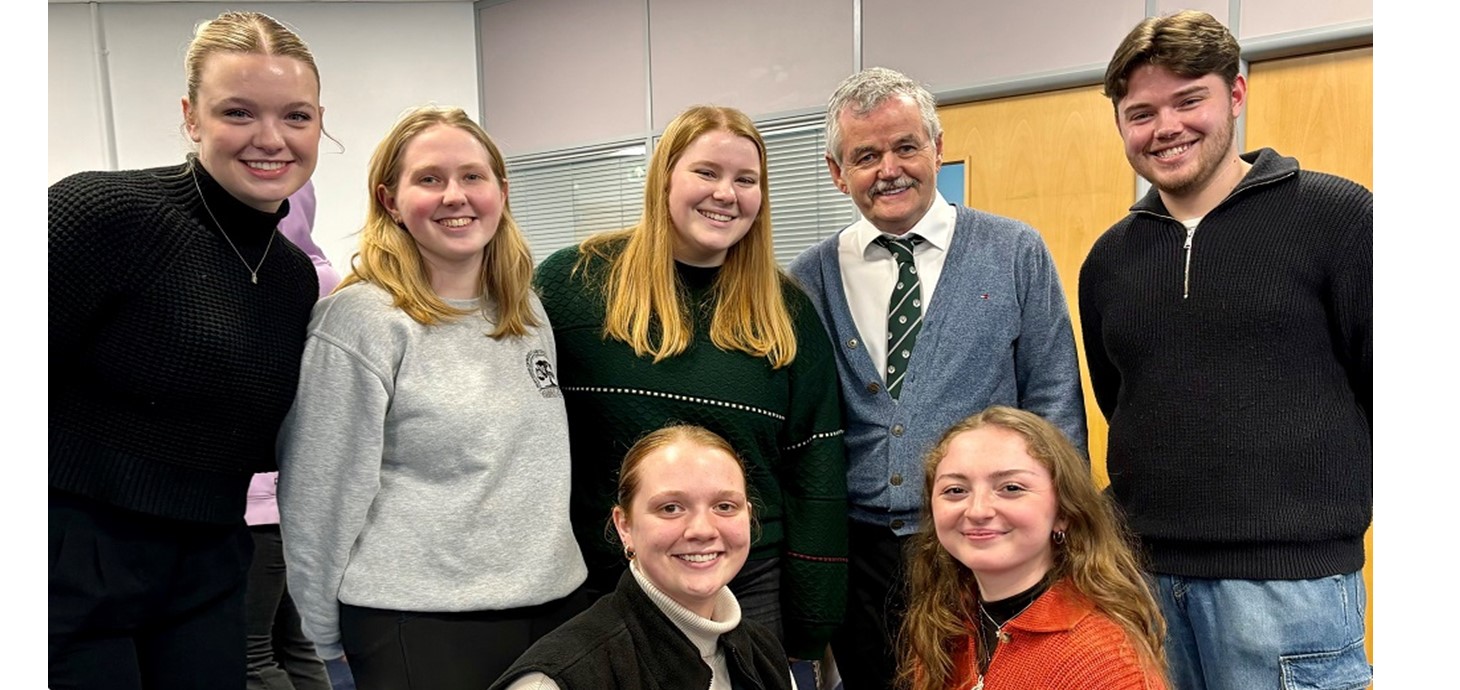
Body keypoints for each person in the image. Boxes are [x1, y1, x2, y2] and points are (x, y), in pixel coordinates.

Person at [1080, 11, 1373, 689]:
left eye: (1190, 100)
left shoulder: (1337, 218)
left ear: (1235, 94)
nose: (1166, 128)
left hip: (1290, 593)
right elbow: (1120, 398)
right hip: (1145, 585)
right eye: (1141, 112)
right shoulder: (1109, 261)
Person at [787, 66, 1087, 690]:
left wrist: (1060, 533)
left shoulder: (1014, 252)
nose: (888, 169)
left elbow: (1055, 398)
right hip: (861, 557)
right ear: (836, 172)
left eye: (905, 146)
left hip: (986, 543)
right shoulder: (807, 280)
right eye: (865, 155)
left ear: (937, 147)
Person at [48, 10, 324, 689]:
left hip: (209, 568)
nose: (271, 139)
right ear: (191, 117)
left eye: (296, 116)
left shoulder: (292, 279)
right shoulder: (99, 215)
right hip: (73, 563)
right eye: (238, 112)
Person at [276, 105, 587, 690]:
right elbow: (319, 494)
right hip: (418, 623)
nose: (455, 196)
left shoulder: (524, 309)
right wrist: (324, 639)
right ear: (390, 200)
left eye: (473, 176)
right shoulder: (362, 320)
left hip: (551, 609)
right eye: (429, 179)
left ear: (501, 190)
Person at [533, 105, 848, 664]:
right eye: (706, 172)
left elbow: (814, 468)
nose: (726, 193)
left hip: (746, 586)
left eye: (745, 180)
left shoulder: (787, 312)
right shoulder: (573, 283)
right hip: (602, 582)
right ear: (665, 178)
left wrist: (813, 621)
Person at [491, 425, 794, 690]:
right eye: (671, 508)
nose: (702, 529)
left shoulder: (765, 653)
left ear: (749, 517)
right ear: (625, 526)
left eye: (725, 506)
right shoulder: (557, 680)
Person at [900, 406, 1166, 690]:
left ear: (1063, 512)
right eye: (955, 490)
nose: (977, 510)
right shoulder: (947, 625)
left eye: (1011, 488)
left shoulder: (1102, 664)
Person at [245, 180, 340, 690]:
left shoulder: (269, 279)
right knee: (300, 645)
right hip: (300, 501)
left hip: (256, 499)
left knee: (251, 656)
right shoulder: (329, 281)